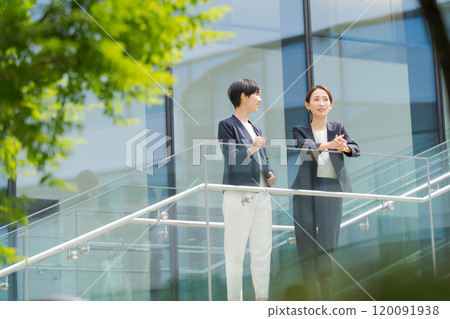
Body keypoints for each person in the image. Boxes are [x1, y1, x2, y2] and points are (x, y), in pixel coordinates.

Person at [291, 85, 359, 300]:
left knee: (328, 245)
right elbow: (305, 147)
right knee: (305, 243)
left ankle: (326, 300)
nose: (321, 103)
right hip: (306, 191)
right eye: (316, 99)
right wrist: (329, 144)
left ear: (331, 105)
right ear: (307, 105)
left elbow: (355, 148)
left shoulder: (339, 126)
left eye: (325, 99)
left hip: (331, 189)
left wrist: (344, 147)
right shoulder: (300, 129)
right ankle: (311, 297)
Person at [218, 79, 276, 301]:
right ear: (243, 96)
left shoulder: (256, 127)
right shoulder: (227, 125)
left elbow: (264, 158)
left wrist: (269, 173)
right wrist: (253, 147)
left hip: (261, 193)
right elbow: (232, 158)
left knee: (263, 249)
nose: (260, 99)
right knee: (235, 251)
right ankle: (236, 304)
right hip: (239, 194)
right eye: (257, 94)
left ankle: (262, 300)